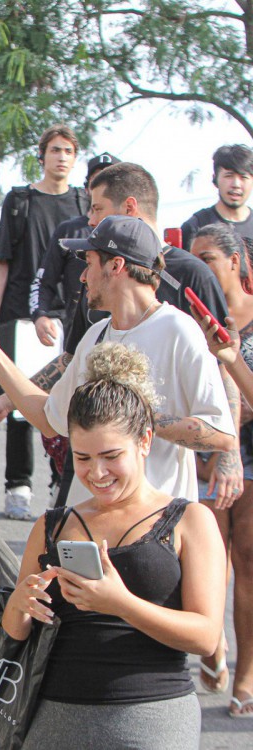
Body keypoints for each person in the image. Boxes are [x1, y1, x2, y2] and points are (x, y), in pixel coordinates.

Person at [0, 163, 242, 507]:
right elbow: (50, 419)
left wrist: (134, 417)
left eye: (89, 262)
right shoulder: (96, 334)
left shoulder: (179, 330)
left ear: (116, 267)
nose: (81, 276)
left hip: (155, 529)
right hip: (91, 525)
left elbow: (222, 435)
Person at [4, 343, 225, 749]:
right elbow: (15, 634)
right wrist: (19, 604)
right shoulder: (53, 525)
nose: (96, 473)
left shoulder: (189, 520)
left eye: (110, 456)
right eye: (82, 458)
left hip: (153, 715)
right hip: (55, 716)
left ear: (144, 441)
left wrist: (119, 602)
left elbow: (206, 636)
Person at [0, 124, 89, 520]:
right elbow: (1, 259)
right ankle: (17, 485)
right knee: (20, 403)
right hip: (21, 316)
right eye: (55, 150)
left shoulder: (83, 203)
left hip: (71, 316)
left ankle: (60, 484)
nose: (61, 157)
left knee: (71, 405)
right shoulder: (21, 200)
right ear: (41, 155)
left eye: (68, 151)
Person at [186, 223, 253, 713]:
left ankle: (246, 676)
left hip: (248, 455)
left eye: (207, 258)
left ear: (235, 261)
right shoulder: (189, 318)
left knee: (248, 566)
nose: (197, 267)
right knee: (211, 563)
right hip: (202, 456)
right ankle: (215, 648)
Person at [31, 151, 120, 355]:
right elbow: (43, 282)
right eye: (96, 180)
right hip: (78, 342)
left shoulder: (136, 236)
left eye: (110, 180)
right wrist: (40, 315)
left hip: (123, 341)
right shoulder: (69, 231)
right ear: (88, 187)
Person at [180, 144, 253, 248]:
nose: (236, 184)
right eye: (229, 176)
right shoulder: (196, 226)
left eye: (243, 177)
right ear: (215, 179)